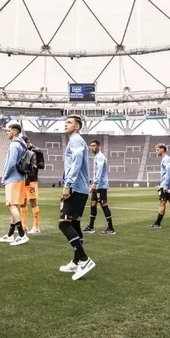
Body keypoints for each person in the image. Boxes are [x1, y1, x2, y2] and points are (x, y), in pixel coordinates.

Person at [57, 115, 96, 279]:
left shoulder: (76, 140)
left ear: (77, 127)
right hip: (80, 189)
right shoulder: (75, 140)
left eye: (70, 122)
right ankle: (76, 261)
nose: (66, 124)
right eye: (66, 122)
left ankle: (85, 259)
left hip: (76, 189)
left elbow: (76, 163)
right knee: (74, 223)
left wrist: (68, 185)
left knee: (64, 224)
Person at [0, 123, 29, 246]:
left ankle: (22, 235)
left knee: (11, 205)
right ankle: (11, 234)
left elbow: (11, 163)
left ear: (15, 132)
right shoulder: (22, 145)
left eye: (9, 130)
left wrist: (4, 177)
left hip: (12, 178)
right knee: (14, 205)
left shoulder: (14, 145)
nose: (7, 132)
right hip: (20, 178)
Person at [83, 139, 115, 235]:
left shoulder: (100, 157)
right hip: (97, 185)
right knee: (93, 204)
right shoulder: (97, 157)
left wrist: (94, 184)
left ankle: (111, 228)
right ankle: (91, 226)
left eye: (93, 146)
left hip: (100, 186)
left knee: (103, 205)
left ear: (98, 146)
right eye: (91, 146)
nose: (91, 148)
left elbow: (100, 171)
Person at [20, 137, 44, 234]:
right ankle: (24, 226)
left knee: (33, 201)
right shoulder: (21, 151)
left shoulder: (36, 151)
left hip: (31, 180)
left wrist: (30, 167)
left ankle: (36, 227)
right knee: (22, 202)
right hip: (22, 180)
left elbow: (42, 165)